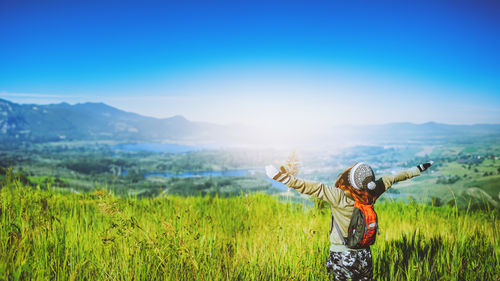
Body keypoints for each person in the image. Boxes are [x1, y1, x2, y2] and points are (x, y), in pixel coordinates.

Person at [265, 161, 433, 281]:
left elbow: (311, 187)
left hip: (341, 255)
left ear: (349, 179)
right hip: (365, 255)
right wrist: (418, 169)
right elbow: (395, 177)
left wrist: (281, 177)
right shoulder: (373, 192)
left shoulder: (339, 196)